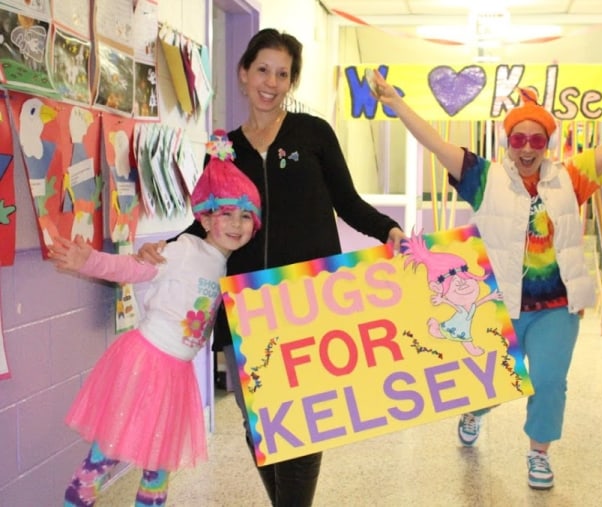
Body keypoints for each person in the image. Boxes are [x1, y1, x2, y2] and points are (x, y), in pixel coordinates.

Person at [372, 70, 602, 490]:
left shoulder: (569, 177)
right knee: (494, 384)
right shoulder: (483, 177)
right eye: (518, 138)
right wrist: (396, 104)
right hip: (496, 304)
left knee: (548, 382)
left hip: (557, 307)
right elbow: (434, 141)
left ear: (548, 143)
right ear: (508, 142)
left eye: (537, 139)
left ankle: (538, 453)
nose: (527, 148)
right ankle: (475, 410)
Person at [137, 29, 405, 506]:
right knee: (259, 420)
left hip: (309, 300)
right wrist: (163, 246)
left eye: (283, 74)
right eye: (263, 69)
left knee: (302, 420)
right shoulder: (223, 149)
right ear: (243, 74)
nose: (272, 82)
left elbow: (347, 202)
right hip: (244, 305)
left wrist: (390, 231)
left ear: (291, 82)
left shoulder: (314, 133)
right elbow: (208, 221)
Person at [53, 132, 263, 507]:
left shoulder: (225, 266)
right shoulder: (185, 250)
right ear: (205, 217)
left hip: (176, 375)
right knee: (105, 457)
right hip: (145, 363)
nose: (236, 223)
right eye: (226, 213)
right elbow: (134, 268)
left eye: (245, 216)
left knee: (158, 469)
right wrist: (88, 260)